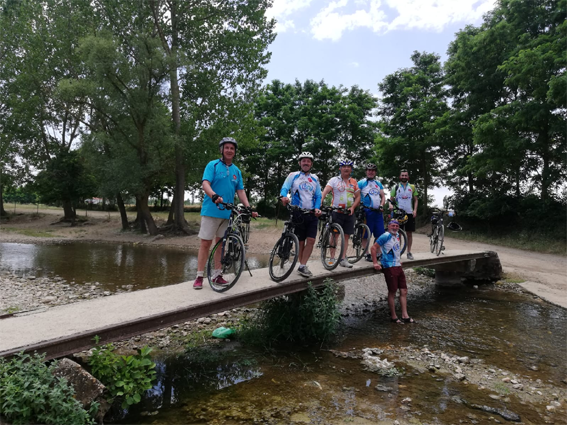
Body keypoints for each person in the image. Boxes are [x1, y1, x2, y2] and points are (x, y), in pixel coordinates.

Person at [193, 137, 257, 290]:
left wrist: (249, 207)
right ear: (221, 149)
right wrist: (214, 196)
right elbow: (205, 183)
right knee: (205, 243)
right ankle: (199, 276)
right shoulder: (212, 165)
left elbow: (240, 190)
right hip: (211, 210)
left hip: (227, 213)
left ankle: (216, 274)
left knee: (221, 244)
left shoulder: (236, 171)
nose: (229, 150)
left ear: (234, 152)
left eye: (232, 148)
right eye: (226, 147)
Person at [279, 152, 322, 278]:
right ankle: (301, 264)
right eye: (303, 161)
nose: (306, 163)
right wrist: (284, 197)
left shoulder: (315, 178)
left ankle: (302, 265)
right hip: (298, 212)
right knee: (300, 242)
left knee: (312, 240)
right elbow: (284, 188)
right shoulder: (293, 175)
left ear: (311, 164)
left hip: (311, 213)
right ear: (300, 163)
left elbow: (318, 195)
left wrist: (317, 208)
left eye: (308, 161)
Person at [371, 220, 415, 324]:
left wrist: (398, 260)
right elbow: (373, 248)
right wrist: (375, 263)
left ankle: (405, 315)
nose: (395, 227)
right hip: (389, 266)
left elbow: (395, 249)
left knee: (404, 291)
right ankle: (394, 316)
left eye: (397, 226)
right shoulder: (385, 236)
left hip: (397, 266)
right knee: (393, 291)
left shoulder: (397, 236)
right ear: (389, 226)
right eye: (393, 225)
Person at [320, 159, 360, 268]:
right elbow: (326, 191)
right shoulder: (334, 180)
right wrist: (321, 201)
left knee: (346, 236)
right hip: (336, 211)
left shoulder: (354, 182)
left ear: (351, 169)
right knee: (335, 235)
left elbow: (358, 197)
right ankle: (332, 258)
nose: (346, 168)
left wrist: (353, 207)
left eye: (348, 167)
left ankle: (343, 259)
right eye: (344, 166)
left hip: (349, 212)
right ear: (340, 168)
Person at [357, 163, 385, 261]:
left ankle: (378, 253)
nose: (370, 172)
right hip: (367, 211)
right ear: (366, 171)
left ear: (375, 172)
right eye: (369, 170)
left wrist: (382, 204)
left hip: (378, 212)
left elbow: (383, 196)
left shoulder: (378, 183)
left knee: (380, 234)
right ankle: (366, 253)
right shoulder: (361, 182)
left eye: (372, 170)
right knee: (365, 234)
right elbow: (355, 195)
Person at [390, 169, 418, 260]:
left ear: (408, 177)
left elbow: (416, 200)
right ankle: (398, 252)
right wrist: (391, 206)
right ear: (400, 177)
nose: (404, 177)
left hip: (409, 212)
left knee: (409, 233)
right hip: (399, 213)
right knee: (398, 233)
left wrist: (415, 210)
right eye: (402, 175)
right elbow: (391, 200)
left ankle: (409, 252)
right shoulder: (396, 187)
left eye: (406, 175)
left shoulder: (412, 187)